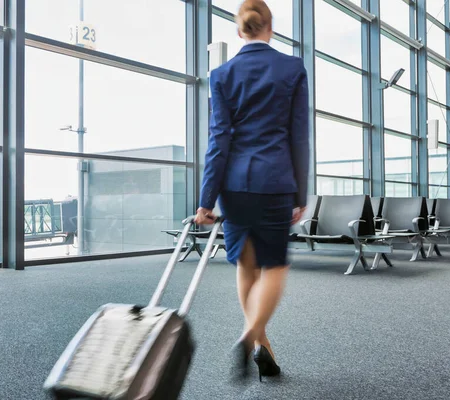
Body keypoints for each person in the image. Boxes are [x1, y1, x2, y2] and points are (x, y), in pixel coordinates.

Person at [194, 0, 309, 383]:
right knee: (275, 265)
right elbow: (299, 137)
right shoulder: (292, 68)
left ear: (239, 31)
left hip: (235, 185)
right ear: (269, 28)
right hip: (276, 182)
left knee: (246, 265)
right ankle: (250, 337)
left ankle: (263, 347)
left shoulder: (222, 74)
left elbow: (218, 140)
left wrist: (206, 200)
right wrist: (300, 194)